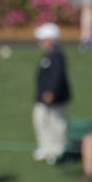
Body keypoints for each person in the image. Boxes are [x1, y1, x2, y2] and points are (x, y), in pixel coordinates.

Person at [32, 22, 71, 163]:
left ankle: (57, 150)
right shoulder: (49, 54)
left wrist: (51, 92)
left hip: (55, 98)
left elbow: (57, 76)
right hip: (43, 99)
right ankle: (45, 147)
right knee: (41, 121)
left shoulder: (57, 55)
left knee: (57, 124)